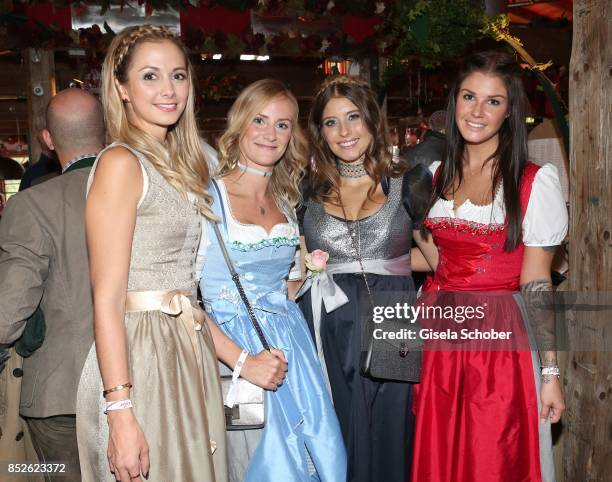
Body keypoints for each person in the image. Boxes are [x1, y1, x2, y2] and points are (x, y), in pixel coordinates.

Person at [75, 25, 227, 482]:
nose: (168, 90)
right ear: (120, 89)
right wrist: (120, 410)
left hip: (184, 348)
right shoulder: (122, 164)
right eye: (150, 76)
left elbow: (188, 291)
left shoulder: (180, 165)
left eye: (178, 76)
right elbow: (106, 299)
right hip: (141, 357)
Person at [411, 50, 567, 482]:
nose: (477, 111)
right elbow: (436, 260)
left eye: (493, 101)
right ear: (453, 102)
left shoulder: (533, 181)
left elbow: (537, 281)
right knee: (438, 456)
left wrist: (550, 372)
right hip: (437, 335)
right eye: (468, 96)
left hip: (497, 342)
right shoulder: (436, 174)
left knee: (492, 456)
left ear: (510, 112)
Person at [199, 79, 346, 482]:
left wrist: (319, 274)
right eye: (260, 120)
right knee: (254, 459)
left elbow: (286, 287)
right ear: (240, 124)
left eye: (283, 124)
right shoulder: (207, 199)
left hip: (292, 345)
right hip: (229, 347)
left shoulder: (285, 199)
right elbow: (183, 300)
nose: (270, 133)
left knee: (313, 454)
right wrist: (242, 360)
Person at [298, 75, 432, 482]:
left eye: (353, 117)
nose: (344, 132)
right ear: (320, 132)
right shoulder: (308, 189)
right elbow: (296, 258)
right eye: (331, 122)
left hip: (394, 317)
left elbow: (437, 258)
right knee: (340, 427)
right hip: (330, 324)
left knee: (391, 428)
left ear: (372, 120)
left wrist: (388, 265)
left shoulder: (410, 182)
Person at [0, 88, 105, 480]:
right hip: (140, 383)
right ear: (107, 133)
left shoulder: (32, 204)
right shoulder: (140, 196)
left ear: (47, 140)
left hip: (60, 394)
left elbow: (10, 307)